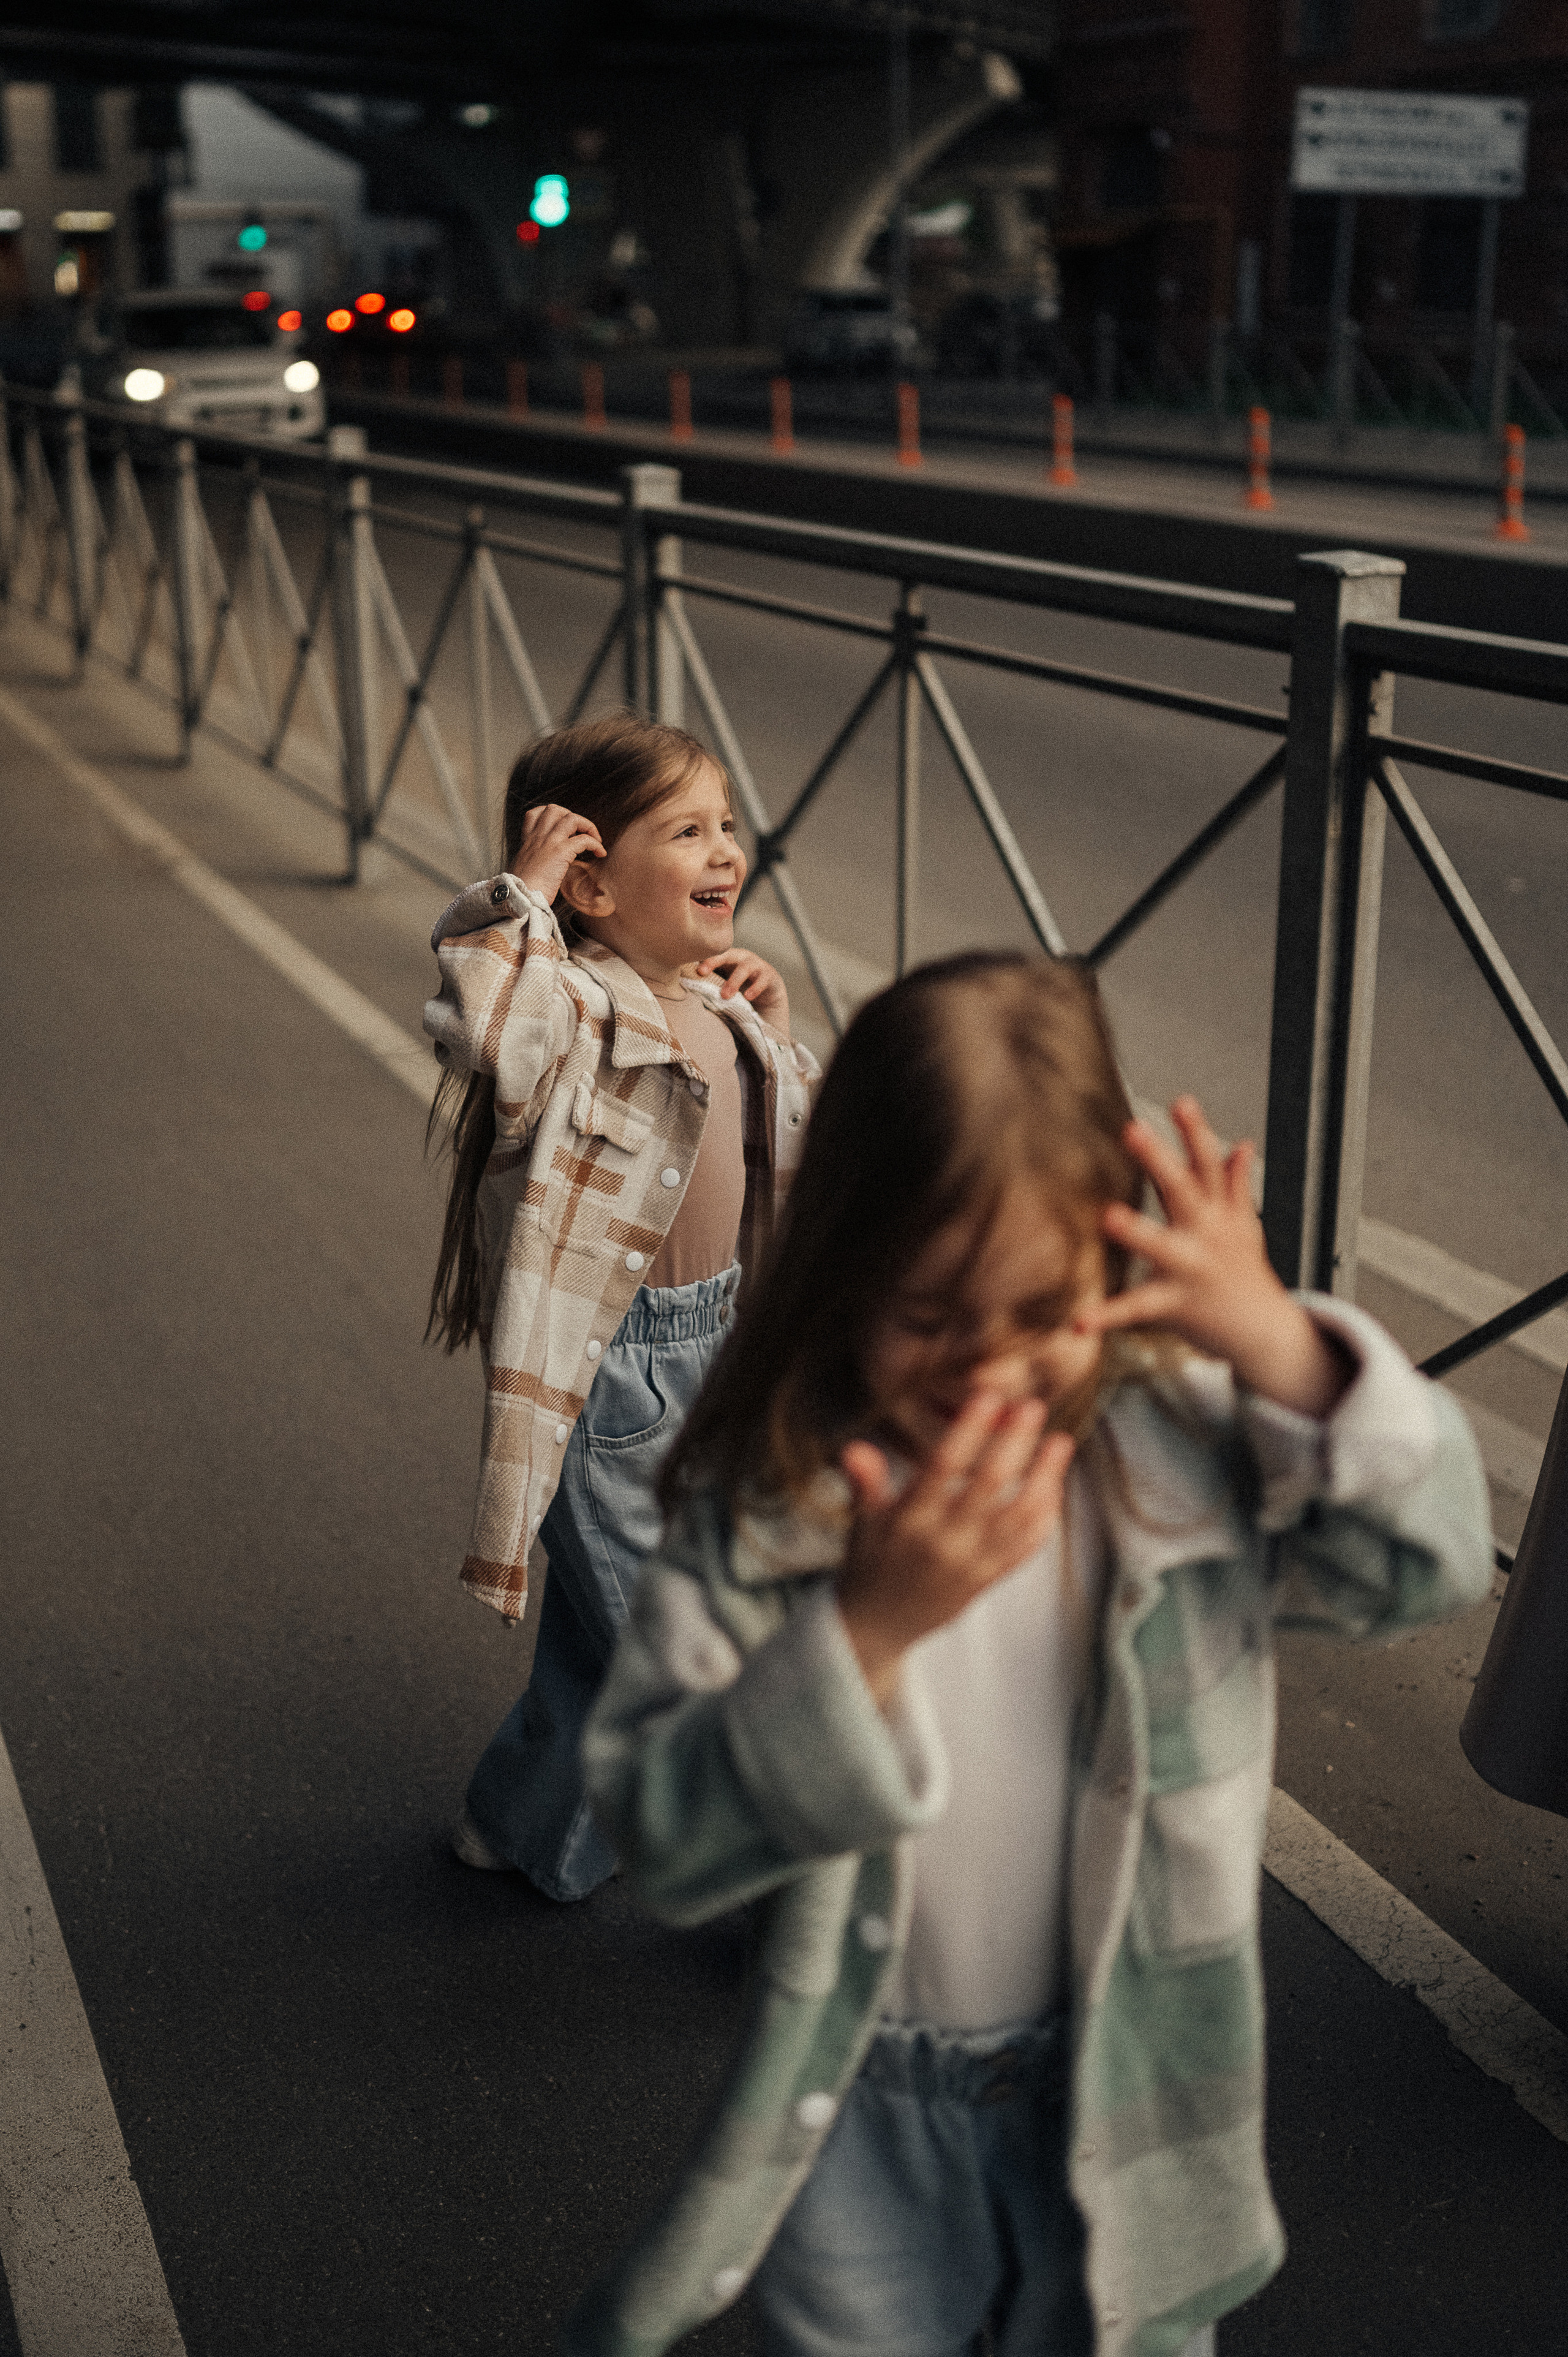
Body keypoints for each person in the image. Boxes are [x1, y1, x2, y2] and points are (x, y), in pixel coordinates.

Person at [571, 951, 1492, 2357]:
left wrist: (1271, 1343)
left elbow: (1419, 1566)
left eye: (1043, 1315)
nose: (989, 1369)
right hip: (866, 2106)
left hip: (1133, 2100)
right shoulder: (775, 1508)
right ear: (841, 1264)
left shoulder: (1182, 1455)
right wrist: (865, 1630)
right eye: (930, 1316)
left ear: (1113, 1269)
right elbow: (668, 1839)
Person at [423, 713, 817, 1903]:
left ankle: (516, 1823)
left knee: (613, 1649)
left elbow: (790, 1141)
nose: (723, 852)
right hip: (617, 1391)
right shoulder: (572, 1013)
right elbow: (483, 1024)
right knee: (693, 1658)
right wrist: (523, 898)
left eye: (726, 827)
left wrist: (776, 1030)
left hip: (724, 1356)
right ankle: (785, 1884)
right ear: (594, 880)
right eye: (685, 831)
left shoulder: (715, 998)